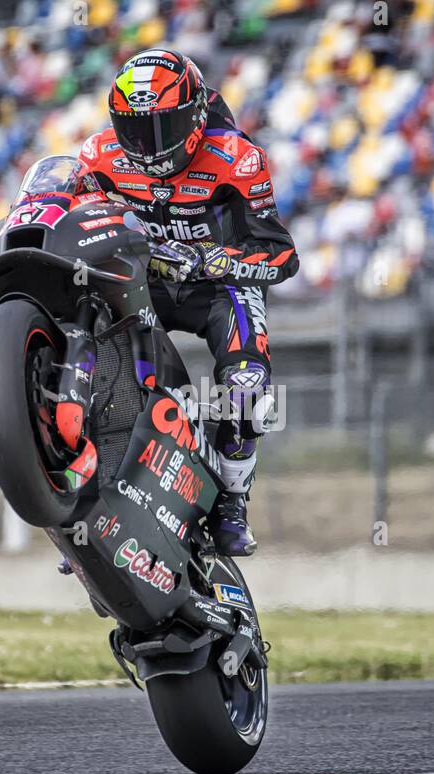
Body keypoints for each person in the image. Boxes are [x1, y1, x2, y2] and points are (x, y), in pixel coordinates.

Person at [76, 48, 298, 556]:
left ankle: (232, 501)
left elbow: (281, 256)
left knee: (248, 388)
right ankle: (89, 500)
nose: (145, 146)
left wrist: (211, 261)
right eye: (133, 129)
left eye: (160, 128)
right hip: (139, 280)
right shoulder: (97, 155)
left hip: (217, 286)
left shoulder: (239, 159)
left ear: (194, 116)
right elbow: (75, 216)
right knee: (90, 350)